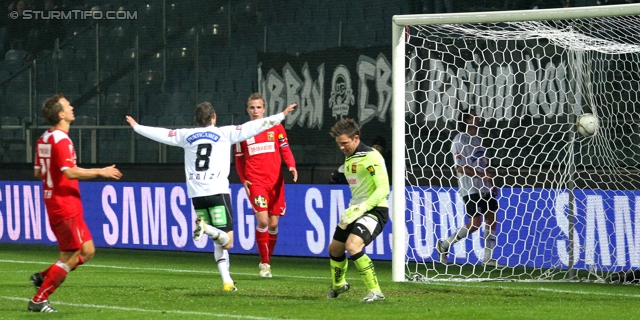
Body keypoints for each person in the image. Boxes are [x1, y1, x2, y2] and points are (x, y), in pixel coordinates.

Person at [126, 101, 297, 291]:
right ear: (214, 117)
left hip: (196, 194)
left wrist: (138, 127)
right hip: (217, 192)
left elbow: (163, 134)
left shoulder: (185, 135)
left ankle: (227, 281)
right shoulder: (225, 133)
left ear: (196, 120)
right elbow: (254, 126)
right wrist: (281, 115)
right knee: (227, 240)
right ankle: (206, 229)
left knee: (219, 239)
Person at [29, 94, 123, 312]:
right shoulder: (61, 140)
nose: (72, 107)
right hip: (64, 204)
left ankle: (43, 277)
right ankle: (39, 299)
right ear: (61, 114)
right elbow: (70, 172)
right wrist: (101, 171)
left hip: (63, 201)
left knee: (87, 251)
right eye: (68, 106)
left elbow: (37, 171)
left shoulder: (44, 138)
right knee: (69, 256)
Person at [234, 92, 297, 278]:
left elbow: (285, 148)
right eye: (252, 108)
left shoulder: (275, 127)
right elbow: (239, 159)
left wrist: (291, 165)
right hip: (256, 182)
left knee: (274, 223)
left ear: (264, 109)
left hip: (276, 182)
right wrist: (243, 178)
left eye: (258, 107)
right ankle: (265, 264)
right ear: (247, 110)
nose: (255, 111)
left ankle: (267, 257)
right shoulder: (242, 131)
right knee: (262, 220)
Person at [326, 118, 389, 302]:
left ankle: (376, 291)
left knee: (353, 246)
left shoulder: (371, 157)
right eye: (339, 144)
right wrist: (354, 208)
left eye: (345, 143)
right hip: (356, 210)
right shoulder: (350, 158)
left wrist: (363, 207)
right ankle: (339, 285)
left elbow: (384, 189)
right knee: (335, 249)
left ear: (356, 138)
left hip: (375, 209)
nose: (342, 148)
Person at [436, 109, 500, 267]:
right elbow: (460, 168)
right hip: (469, 187)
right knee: (475, 223)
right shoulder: (459, 140)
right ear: (466, 120)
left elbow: (483, 163)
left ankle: (488, 258)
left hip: (484, 186)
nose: (478, 117)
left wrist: (491, 182)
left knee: (491, 218)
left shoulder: (478, 139)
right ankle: (445, 244)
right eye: (474, 115)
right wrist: (482, 176)